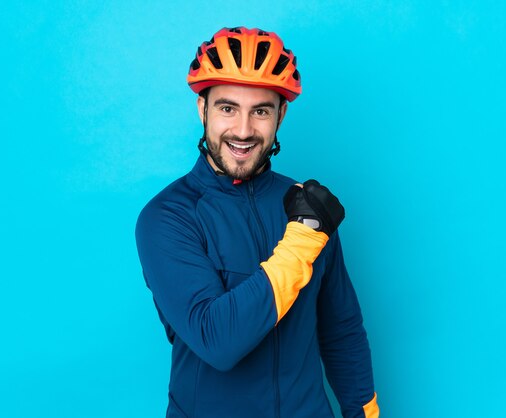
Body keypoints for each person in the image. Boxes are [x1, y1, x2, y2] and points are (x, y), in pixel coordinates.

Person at [135, 26, 379, 418]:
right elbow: (218, 341)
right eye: (227, 108)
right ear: (203, 109)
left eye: (261, 111)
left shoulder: (305, 205)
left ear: (280, 115)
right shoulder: (167, 218)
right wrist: (302, 241)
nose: (244, 130)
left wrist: (365, 412)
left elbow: (341, 328)